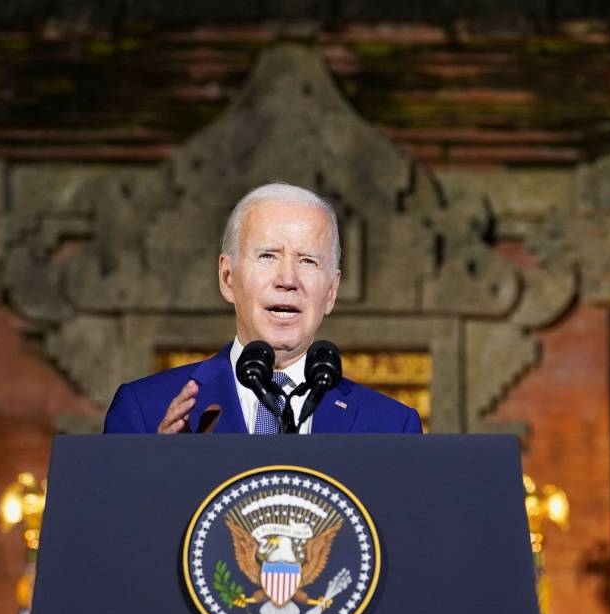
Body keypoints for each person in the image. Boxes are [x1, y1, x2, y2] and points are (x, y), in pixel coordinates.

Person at [103, 182, 421, 434]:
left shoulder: (390, 426)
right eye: (268, 256)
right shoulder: (144, 409)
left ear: (331, 291)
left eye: (308, 260)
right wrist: (156, 474)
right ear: (227, 277)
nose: (287, 279)